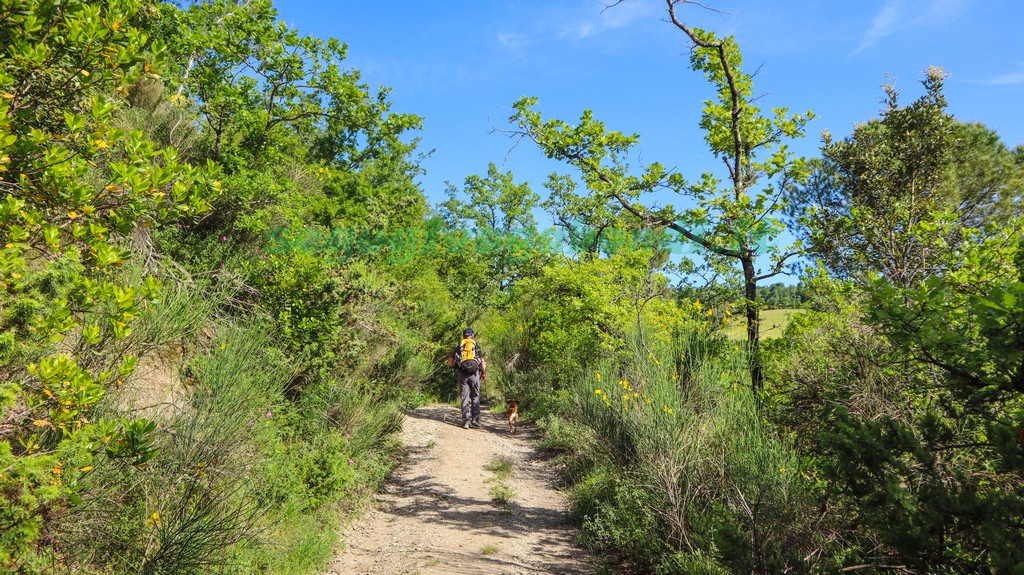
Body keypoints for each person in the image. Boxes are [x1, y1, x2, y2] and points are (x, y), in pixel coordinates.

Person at [447, 328, 486, 429]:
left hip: (462, 373)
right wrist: (484, 372)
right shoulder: (476, 346)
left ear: (464, 336)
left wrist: (455, 365)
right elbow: (482, 361)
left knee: (464, 396)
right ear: (472, 335)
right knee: (475, 396)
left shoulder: (459, 347)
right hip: (474, 374)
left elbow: (450, 362)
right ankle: (475, 420)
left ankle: (466, 421)